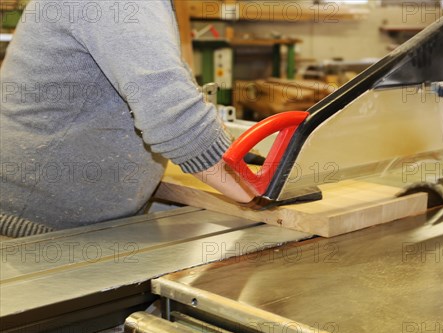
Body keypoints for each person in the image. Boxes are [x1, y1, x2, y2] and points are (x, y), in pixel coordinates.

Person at [0, 0, 257, 238]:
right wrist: (263, 194)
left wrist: (237, 157)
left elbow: (175, 88)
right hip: (37, 234)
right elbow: (172, 114)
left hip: (66, 225)